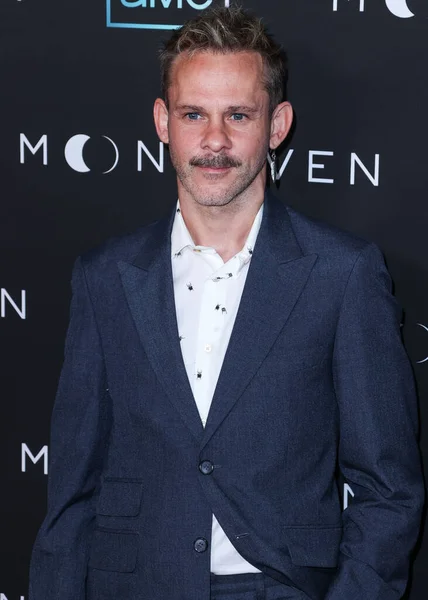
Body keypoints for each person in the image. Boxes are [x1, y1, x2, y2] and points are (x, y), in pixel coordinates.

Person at [29, 6, 424, 600]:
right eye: (195, 114)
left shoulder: (342, 274)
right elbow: (73, 491)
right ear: (164, 121)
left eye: (238, 115)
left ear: (277, 124)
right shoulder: (106, 277)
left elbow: (389, 489)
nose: (214, 140)